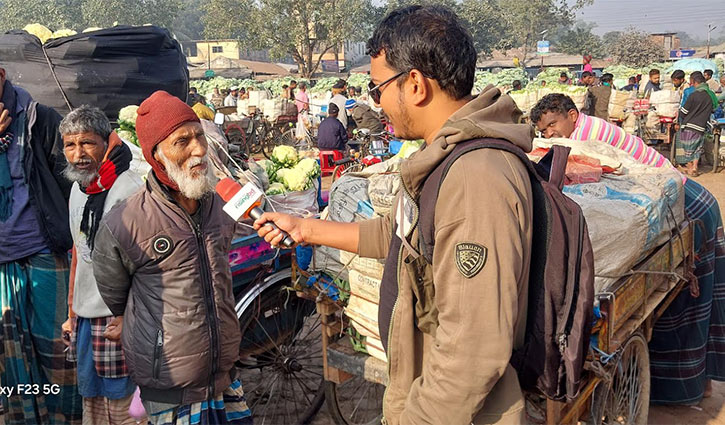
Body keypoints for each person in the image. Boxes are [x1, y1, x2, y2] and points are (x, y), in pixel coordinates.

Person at [255, 5, 534, 424]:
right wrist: (305, 228)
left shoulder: (476, 179)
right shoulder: (442, 160)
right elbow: (399, 234)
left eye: (377, 88)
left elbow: (473, 348)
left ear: (416, 84)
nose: (377, 102)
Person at [531, 93, 725, 405]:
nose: (550, 134)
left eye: (553, 125)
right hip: (676, 196)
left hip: (687, 204)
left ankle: (686, 390)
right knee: (691, 302)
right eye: (544, 130)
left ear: (571, 115)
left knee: (691, 305)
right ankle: (693, 386)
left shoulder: (584, 137)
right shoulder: (579, 133)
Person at [92, 91, 252, 425]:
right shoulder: (126, 222)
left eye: (199, 136)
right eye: (183, 141)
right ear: (156, 155)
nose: (199, 150)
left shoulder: (219, 207)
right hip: (169, 383)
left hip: (223, 375)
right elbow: (113, 291)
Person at [0, 67, 82, 424]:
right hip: (2, 262)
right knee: (12, 358)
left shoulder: (39, 119)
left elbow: (72, 183)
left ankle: (67, 418)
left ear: (1, 75)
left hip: (44, 251)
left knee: (58, 352)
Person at [59, 105, 144, 425]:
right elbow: (79, 254)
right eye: (70, 145)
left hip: (116, 318)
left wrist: (126, 317)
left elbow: (141, 266)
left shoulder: (128, 189)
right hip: (85, 319)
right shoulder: (77, 189)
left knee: (125, 408)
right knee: (93, 403)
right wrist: (71, 314)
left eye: (87, 143)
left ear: (107, 142)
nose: (78, 153)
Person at [675, 71, 715, 176]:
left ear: (694, 82)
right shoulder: (709, 97)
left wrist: (679, 118)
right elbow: (713, 110)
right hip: (701, 127)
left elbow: (683, 112)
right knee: (698, 149)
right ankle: (695, 167)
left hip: (689, 126)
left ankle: (689, 167)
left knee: (688, 149)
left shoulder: (693, 95)